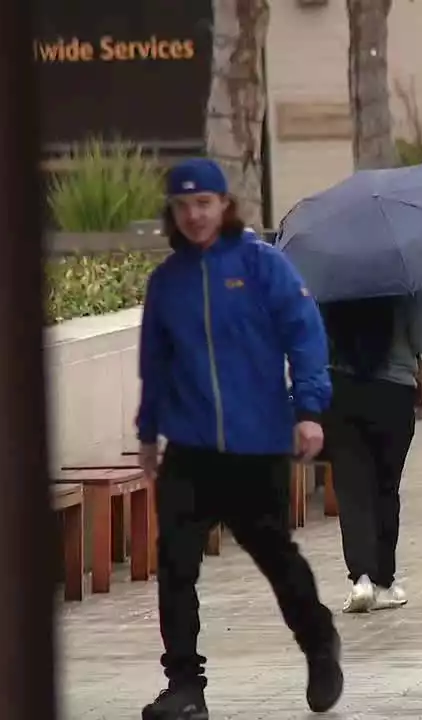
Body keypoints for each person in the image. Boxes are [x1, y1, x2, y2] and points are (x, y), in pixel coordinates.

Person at [136, 157, 343, 720]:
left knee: (276, 556)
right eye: (182, 207)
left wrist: (309, 409)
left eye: (203, 203)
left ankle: (320, 645)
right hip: (189, 448)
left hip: (257, 445)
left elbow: (305, 336)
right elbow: (154, 364)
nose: (194, 215)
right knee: (176, 565)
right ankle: (185, 686)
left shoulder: (262, 266)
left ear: (224, 205)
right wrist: (147, 433)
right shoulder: (167, 283)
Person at [319, 289, 422, 613]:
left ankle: (360, 578)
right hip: (394, 393)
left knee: (351, 487)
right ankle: (384, 581)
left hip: (341, 389)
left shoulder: (329, 274)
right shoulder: (408, 279)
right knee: (386, 488)